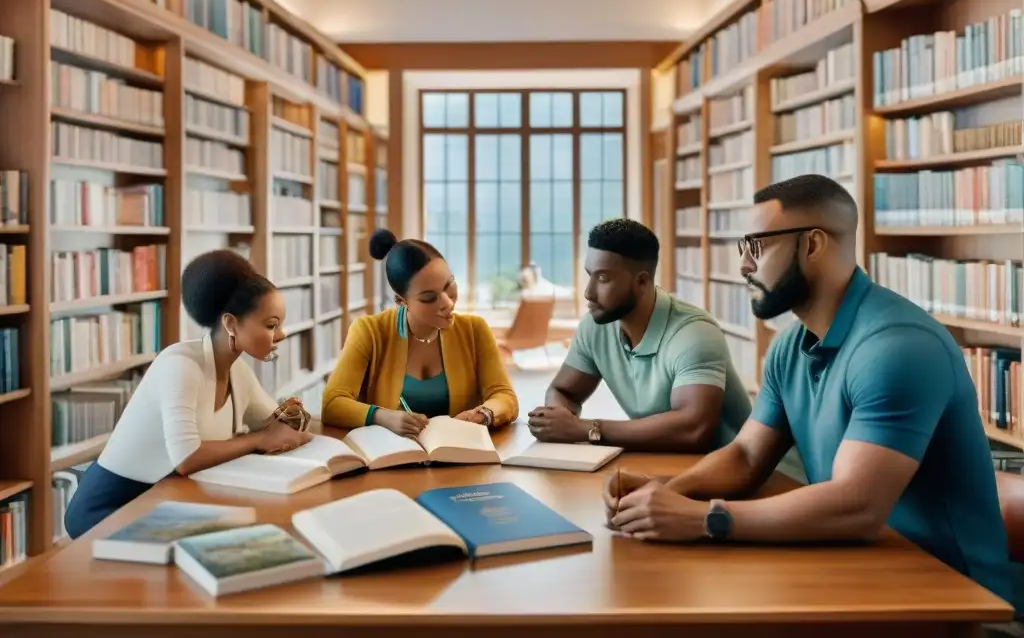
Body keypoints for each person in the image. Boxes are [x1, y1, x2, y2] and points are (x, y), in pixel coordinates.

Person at [602, 175, 1014, 619]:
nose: (743, 265)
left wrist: (704, 518)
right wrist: (666, 494)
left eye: (756, 247)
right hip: (858, 574)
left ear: (813, 245)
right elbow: (744, 456)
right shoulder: (789, 346)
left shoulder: (899, 347)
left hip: (957, 604)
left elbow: (856, 506)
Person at [63, 250, 312, 539]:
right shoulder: (180, 365)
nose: (281, 335)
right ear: (231, 324)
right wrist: (259, 439)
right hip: (112, 507)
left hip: (166, 496)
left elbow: (274, 424)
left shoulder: (237, 371)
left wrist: (289, 423)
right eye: (271, 325)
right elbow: (186, 457)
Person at [528, 218, 752, 452]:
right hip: (665, 464)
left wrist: (585, 429)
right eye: (589, 275)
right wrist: (558, 421)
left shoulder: (695, 334)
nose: (588, 292)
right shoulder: (596, 326)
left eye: (603, 278)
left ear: (642, 282)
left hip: (747, 475)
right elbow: (563, 391)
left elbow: (693, 428)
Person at [321, 229, 519, 434]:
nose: (447, 303)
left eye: (449, 285)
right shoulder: (369, 331)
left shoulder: (475, 330)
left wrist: (483, 414)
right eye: (428, 297)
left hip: (460, 453)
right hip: (392, 457)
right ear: (401, 301)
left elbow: (505, 396)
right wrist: (382, 417)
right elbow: (332, 404)